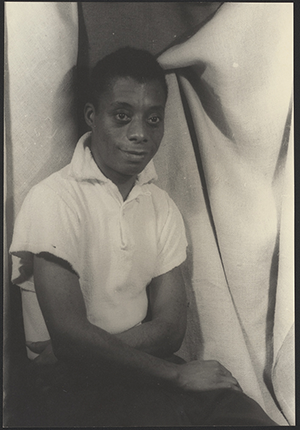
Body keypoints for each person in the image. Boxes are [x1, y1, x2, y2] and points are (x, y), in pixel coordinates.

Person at [9, 47, 278, 426]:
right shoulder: (53, 199)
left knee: (243, 412)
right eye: (122, 116)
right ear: (92, 116)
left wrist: (85, 346)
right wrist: (177, 374)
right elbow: (69, 335)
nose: (140, 133)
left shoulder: (161, 205)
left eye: (153, 119)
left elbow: (170, 330)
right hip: (72, 385)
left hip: (143, 369)